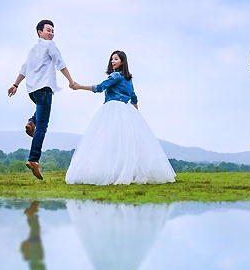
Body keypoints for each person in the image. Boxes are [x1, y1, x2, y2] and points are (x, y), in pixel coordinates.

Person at [66, 50, 175, 185]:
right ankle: (125, 170)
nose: (112, 61)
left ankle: (110, 170)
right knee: (125, 142)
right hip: (126, 109)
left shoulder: (116, 76)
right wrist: (135, 114)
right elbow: (134, 97)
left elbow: (100, 87)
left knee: (106, 140)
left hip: (112, 108)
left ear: (122, 61)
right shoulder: (128, 79)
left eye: (116, 59)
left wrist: (80, 86)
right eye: (112, 59)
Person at [8, 19, 75, 180]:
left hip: (32, 91)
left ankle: (32, 121)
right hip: (44, 89)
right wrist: (71, 81)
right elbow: (60, 63)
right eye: (48, 30)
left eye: (53, 31)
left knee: (39, 114)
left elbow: (24, 69)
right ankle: (33, 159)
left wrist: (15, 85)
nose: (51, 33)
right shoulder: (50, 45)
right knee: (42, 127)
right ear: (40, 32)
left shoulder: (32, 50)